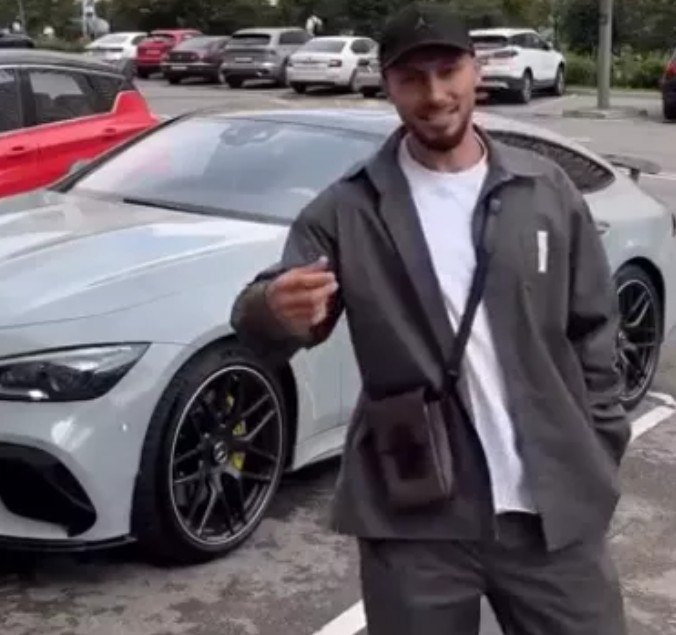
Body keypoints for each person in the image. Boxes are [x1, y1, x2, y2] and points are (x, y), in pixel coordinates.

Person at [229, 3, 631, 634]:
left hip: (552, 510)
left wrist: (600, 444)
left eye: (448, 71)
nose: (435, 94)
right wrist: (273, 308)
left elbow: (595, 328)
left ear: (477, 70)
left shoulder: (543, 189)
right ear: (387, 84)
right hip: (416, 517)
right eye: (412, 78)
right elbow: (264, 328)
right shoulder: (348, 209)